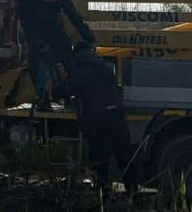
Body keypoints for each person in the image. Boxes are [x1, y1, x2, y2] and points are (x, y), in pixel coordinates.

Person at [57, 42, 139, 196]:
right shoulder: (106, 67)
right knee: (123, 153)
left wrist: (54, 91)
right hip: (116, 113)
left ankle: (102, 190)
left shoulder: (81, 71)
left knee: (100, 155)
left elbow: (65, 90)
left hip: (97, 117)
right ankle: (132, 188)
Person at [17, 0, 95, 108]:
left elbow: (75, 17)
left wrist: (89, 38)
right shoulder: (27, 0)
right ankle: (42, 98)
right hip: (35, 32)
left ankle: (74, 95)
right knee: (35, 64)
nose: (50, 1)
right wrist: (39, 44)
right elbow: (26, 26)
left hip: (55, 31)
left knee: (70, 62)